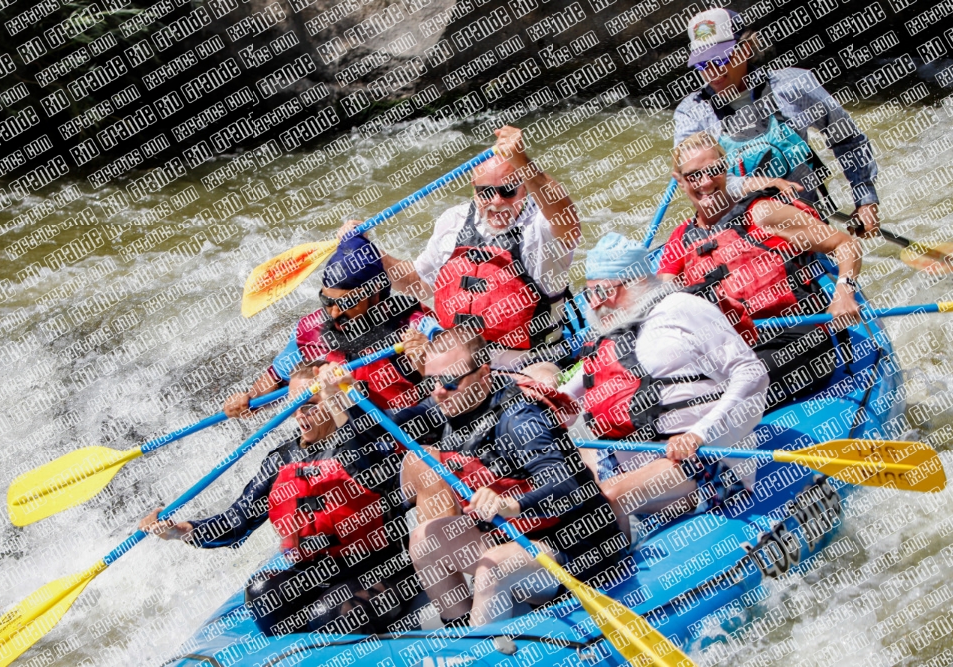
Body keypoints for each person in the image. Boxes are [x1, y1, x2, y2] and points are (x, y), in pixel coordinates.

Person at [139, 361, 416, 636]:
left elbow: (366, 458)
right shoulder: (281, 461)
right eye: (295, 407)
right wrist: (181, 530)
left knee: (331, 615)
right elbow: (237, 521)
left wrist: (336, 395)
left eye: (310, 404)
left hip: (380, 572)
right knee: (263, 595)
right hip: (315, 576)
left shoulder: (367, 440)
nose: (300, 415)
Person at [399, 328, 624, 627]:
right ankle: (464, 633)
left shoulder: (519, 418)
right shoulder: (450, 400)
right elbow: (380, 426)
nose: (440, 391)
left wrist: (511, 505)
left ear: (483, 374)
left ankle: (483, 655)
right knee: (424, 539)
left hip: (576, 546)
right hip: (520, 539)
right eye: (433, 381)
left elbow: (567, 486)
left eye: (451, 381)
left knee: (492, 569)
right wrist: (340, 399)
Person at [562, 234, 769, 542]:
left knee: (606, 497)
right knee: (560, 480)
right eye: (588, 293)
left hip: (701, 459)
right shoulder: (613, 328)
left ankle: (616, 571)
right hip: (623, 461)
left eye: (603, 291)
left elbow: (751, 372)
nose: (595, 304)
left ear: (637, 282)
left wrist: (700, 432)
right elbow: (563, 398)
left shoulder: (682, 309)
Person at [338, 125, 582, 371]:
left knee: (542, 380)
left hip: (532, 365)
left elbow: (565, 216)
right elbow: (418, 283)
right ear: (473, 187)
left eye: (508, 190)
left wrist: (522, 161)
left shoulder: (541, 227)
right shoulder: (452, 221)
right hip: (460, 369)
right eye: (486, 191)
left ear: (524, 186)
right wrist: (365, 250)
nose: (497, 202)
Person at [660, 132, 862, 407]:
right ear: (680, 181)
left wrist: (844, 290)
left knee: (727, 387)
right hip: (729, 352)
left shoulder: (761, 213)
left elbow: (844, 244)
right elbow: (662, 306)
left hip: (791, 339)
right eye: (694, 175)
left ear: (726, 169)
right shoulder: (680, 240)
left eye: (714, 170)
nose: (706, 182)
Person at [675, 7, 880, 235]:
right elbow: (696, 182)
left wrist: (865, 200)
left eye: (720, 59)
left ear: (745, 49)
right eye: (702, 64)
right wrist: (753, 185)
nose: (712, 72)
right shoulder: (691, 113)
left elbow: (847, 138)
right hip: (734, 237)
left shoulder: (795, 85)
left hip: (806, 228)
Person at [223, 233, 432, 418]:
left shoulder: (414, 322)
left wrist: (430, 356)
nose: (334, 312)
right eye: (327, 301)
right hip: (347, 439)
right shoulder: (311, 331)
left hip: (408, 434)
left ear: (375, 294)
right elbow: (275, 380)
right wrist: (249, 399)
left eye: (346, 303)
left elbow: (457, 377)